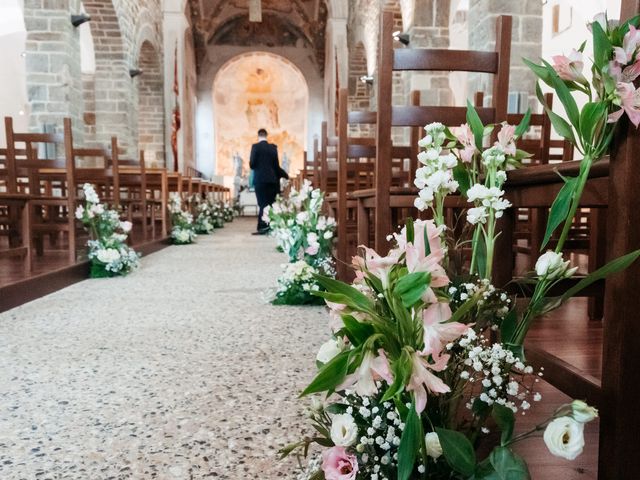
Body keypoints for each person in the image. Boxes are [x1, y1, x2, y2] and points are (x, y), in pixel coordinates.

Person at [249, 128, 288, 235]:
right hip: (272, 180)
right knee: (270, 204)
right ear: (267, 136)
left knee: (262, 204)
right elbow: (276, 166)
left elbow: (252, 164)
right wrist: (285, 175)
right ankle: (271, 227)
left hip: (260, 180)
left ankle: (262, 228)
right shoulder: (273, 148)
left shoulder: (255, 147)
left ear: (258, 136)